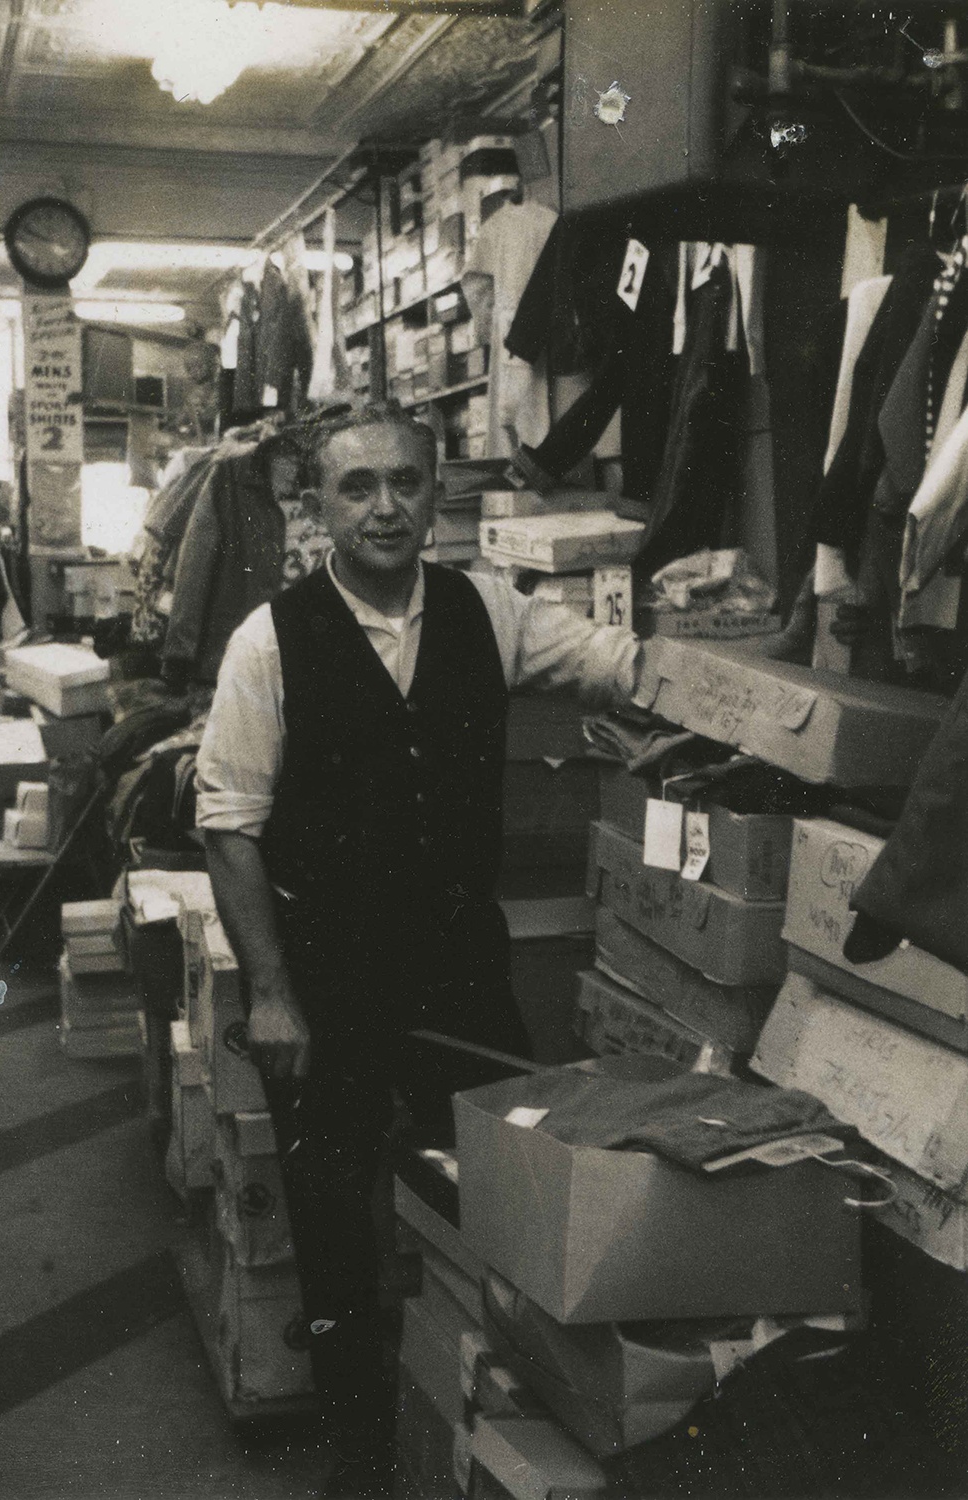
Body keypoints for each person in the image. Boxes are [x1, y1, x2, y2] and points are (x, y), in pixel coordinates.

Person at [196, 403, 641, 1497]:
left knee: (500, 1187)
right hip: (327, 971)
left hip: (455, 960)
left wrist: (742, 672)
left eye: (404, 483)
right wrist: (272, 996)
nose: (384, 507)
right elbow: (228, 826)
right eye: (357, 488)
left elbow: (614, 663)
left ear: (436, 496)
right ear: (319, 506)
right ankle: (359, 1451)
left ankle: (492, 1419)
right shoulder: (270, 638)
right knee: (337, 1221)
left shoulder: (490, 610)